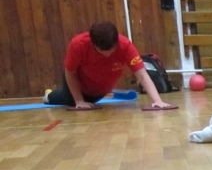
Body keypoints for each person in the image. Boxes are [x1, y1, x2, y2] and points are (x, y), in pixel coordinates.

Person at [44, 20, 172, 110]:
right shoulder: (78, 44)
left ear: (116, 41)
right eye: (101, 51)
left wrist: (157, 101)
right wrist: (79, 100)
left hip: (100, 90)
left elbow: (142, 75)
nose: (107, 54)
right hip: (79, 85)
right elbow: (70, 72)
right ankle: (49, 96)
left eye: (112, 49)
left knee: (90, 102)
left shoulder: (126, 46)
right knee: (69, 101)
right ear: (93, 43)